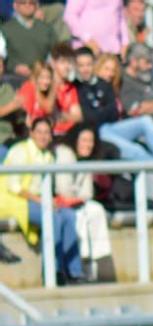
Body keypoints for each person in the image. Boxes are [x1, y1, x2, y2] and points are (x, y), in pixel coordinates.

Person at [1, 118, 82, 283]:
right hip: (13, 200)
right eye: (39, 132)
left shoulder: (48, 156)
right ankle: (53, 271)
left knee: (69, 215)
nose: (43, 136)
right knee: (53, 218)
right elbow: (14, 187)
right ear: (31, 133)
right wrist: (41, 201)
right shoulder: (20, 151)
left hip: (36, 200)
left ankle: (74, 272)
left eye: (47, 133)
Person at [53, 125, 113, 282]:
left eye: (91, 141)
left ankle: (103, 265)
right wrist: (76, 197)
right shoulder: (64, 154)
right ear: (75, 140)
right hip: (58, 204)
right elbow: (63, 189)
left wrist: (77, 197)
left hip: (75, 201)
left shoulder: (86, 158)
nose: (88, 144)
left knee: (97, 210)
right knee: (79, 217)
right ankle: (81, 267)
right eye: (84, 140)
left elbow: (88, 193)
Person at [3, 0, 72, 80]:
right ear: (15, 5)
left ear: (37, 5)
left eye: (31, 2)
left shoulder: (47, 29)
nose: (27, 5)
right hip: (13, 78)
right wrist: (14, 67)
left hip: (42, 80)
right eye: (23, 2)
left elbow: (55, 54)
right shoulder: (5, 29)